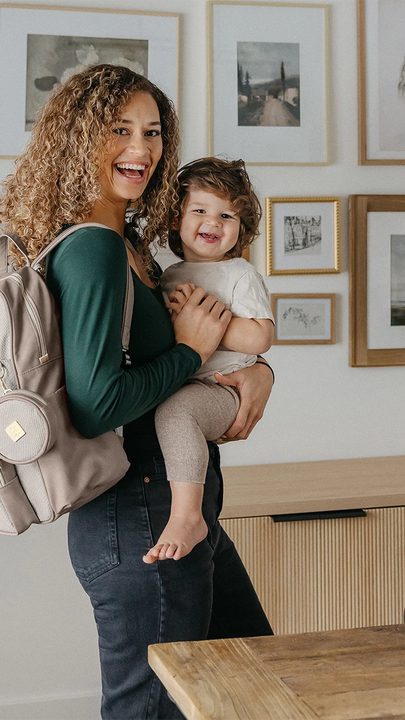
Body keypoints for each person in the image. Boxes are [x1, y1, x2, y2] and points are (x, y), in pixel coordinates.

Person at [0, 64, 273, 720]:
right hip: (140, 513)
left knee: (253, 685)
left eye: (153, 132)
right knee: (152, 710)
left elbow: (206, 345)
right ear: (80, 137)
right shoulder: (94, 248)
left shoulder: (129, 246)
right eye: (119, 129)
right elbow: (99, 405)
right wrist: (190, 353)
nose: (142, 147)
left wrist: (255, 372)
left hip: (174, 507)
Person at [144, 158, 274, 565]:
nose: (212, 221)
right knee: (175, 407)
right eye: (199, 210)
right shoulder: (166, 276)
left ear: (241, 227)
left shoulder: (238, 273)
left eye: (226, 214)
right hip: (186, 381)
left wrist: (203, 316)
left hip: (225, 386)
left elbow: (260, 337)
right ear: (176, 219)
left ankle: (187, 515)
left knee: (176, 412)